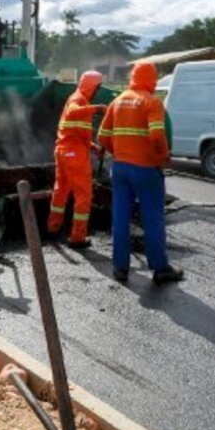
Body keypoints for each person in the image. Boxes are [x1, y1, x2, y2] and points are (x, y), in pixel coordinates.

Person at [98, 62, 183, 285]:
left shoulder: (117, 101)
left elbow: (102, 137)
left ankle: (120, 268)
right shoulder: (152, 102)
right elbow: (157, 136)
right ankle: (160, 268)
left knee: (120, 217)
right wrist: (162, 158)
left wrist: (119, 152)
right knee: (153, 218)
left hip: (120, 168)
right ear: (152, 80)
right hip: (145, 169)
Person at [47, 70, 107, 249]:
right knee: (83, 194)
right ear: (92, 86)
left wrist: (93, 146)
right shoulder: (78, 100)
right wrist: (97, 108)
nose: (98, 90)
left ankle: (53, 226)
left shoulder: (78, 99)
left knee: (61, 190)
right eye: (97, 86)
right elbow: (74, 113)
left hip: (63, 151)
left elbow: (75, 133)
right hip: (73, 155)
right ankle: (78, 236)